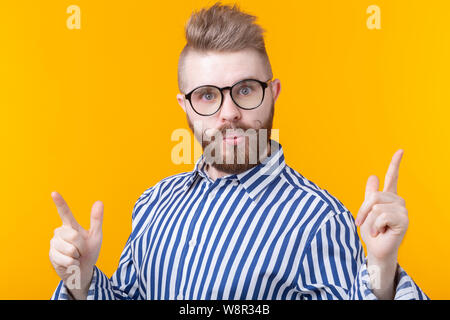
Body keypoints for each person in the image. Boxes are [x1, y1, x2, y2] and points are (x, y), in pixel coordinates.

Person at [50, 2, 428, 300]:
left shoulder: (319, 220)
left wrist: (383, 272)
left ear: (273, 93)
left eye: (245, 89)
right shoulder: (154, 202)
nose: (229, 113)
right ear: (185, 106)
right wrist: (82, 284)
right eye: (208, 95)